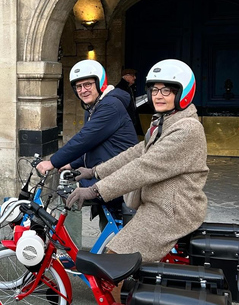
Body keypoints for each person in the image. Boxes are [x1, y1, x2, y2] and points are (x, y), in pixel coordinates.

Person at [66, 59, 208, 264]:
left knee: (114, 259)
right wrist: (94, 171)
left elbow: (144, 167)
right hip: (157, 202)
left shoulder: (186, 129)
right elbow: (137, 152)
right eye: (155, 90)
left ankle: (116, 297)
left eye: (167, 90)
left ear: (182, 92)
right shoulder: (165, 121)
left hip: (171, 209)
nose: (158, 95)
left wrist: (94, 189)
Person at [36, 59, 137, 219]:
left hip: (118, 177)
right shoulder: (93, 109)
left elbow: (84, 139)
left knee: (114, 233)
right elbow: (92, 145)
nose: (83, 90)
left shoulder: (110, 105)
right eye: (79, 87)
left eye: (88, 84)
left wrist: (53, 161)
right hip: (105, 175)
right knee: (107, 228)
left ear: (99, 83)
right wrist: (70, 164)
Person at [115, 67, 143, 136]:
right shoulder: (120, 89)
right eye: (133, 76)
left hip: (131, 121)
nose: (135, 78)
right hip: (125, 123)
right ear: (126, 76)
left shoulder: (131, 88)